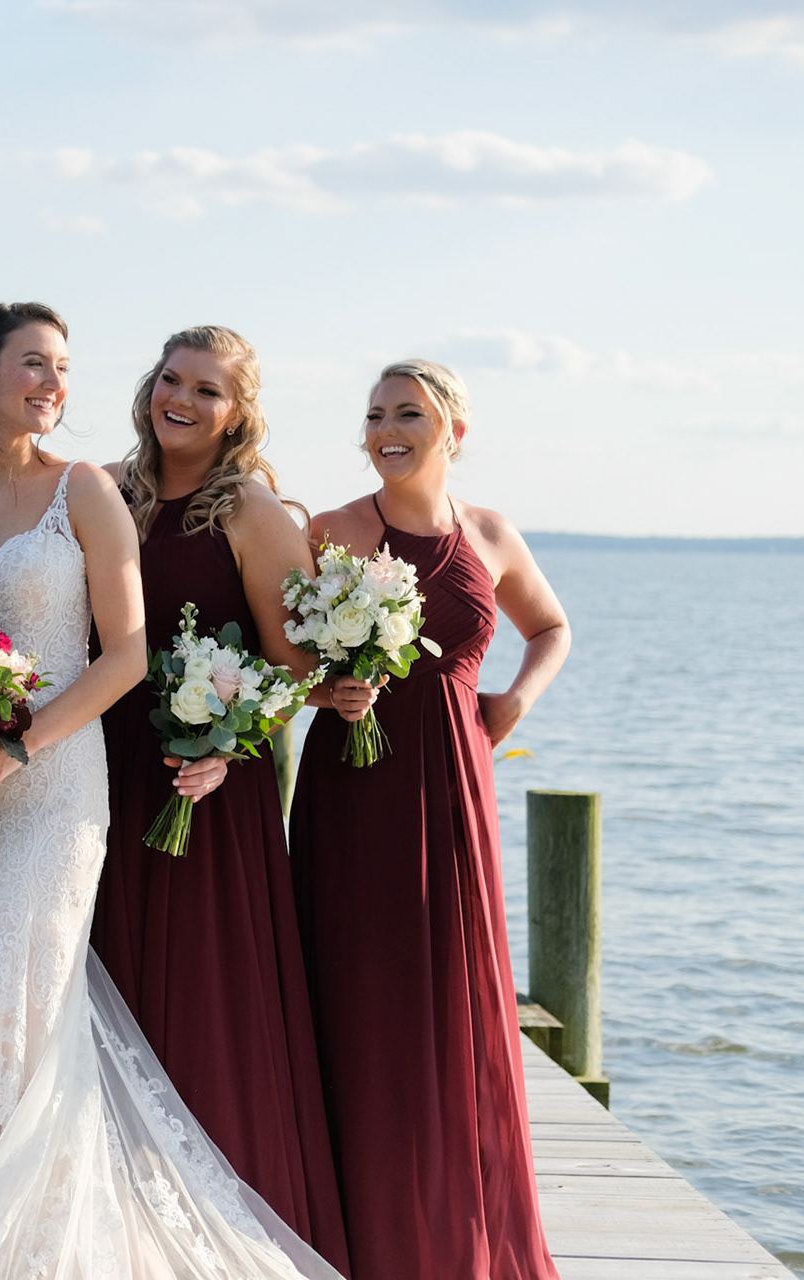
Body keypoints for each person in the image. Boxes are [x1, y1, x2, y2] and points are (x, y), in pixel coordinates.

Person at [0, 304, 343, 1279]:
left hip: (55, 792)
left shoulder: (85, 491)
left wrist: (17, 745)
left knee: (18, 1012)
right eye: (34, 364)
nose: (54, 384)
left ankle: (25, 1250)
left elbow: (126, 656)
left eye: (64, 368)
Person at [292, 359, 571, 1280]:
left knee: (453, 993)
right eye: (375, 414)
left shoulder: (489, 533)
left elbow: (551, 628)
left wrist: (513, 703)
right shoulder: (331, 532)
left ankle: (456, 1227)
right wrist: (328, 689)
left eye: (408, 413)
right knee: (361, 987)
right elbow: (280, 661)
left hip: (455, 780)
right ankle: (362, 1225)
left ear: (456, 430)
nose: (386, 429)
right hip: (354, 786)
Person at [93, 326, 351, 1271]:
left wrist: (226, 746)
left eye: (208, 389)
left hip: (203, 787)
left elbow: (299, 669)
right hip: (101, 772)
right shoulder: (105, 490)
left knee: (202, 1001)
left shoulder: (246, 507)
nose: (183, 399)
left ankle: (217, 1228)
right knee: (109, 983)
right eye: (172, 379)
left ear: (237, 412)